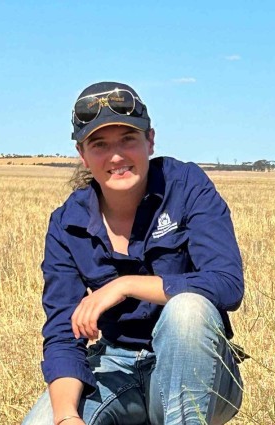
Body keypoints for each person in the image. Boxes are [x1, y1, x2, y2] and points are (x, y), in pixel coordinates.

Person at [23, 82, 244, 425]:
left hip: (200, 367)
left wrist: (124, 285)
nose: (116, 156)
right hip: (114, 366)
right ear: (83, 154)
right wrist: (67, 416)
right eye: (100, 145)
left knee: (187, 308)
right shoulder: (67, 224)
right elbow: (63, 334)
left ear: (150, 140)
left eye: (128, 139)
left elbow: (227, 285)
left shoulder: (186, 186)